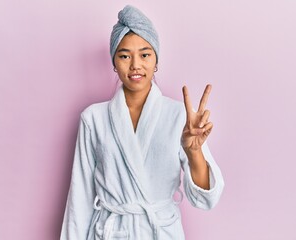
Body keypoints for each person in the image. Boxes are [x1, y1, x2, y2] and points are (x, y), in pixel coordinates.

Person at [60, 5, 224, 240]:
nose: (135, 65)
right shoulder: (93, 119)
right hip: (111, 231)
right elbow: (80, 198)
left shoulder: (179, 116)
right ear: (114, 62)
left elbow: (206, 198)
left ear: (156, 59)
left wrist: (194, 151)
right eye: (125, 55)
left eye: (145, 54)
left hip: (160, 232)